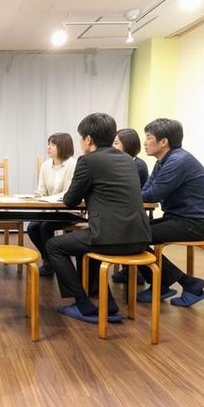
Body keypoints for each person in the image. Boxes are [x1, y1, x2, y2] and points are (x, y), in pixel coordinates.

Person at [46, 113, 151, 324]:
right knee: (83, 244)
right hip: (141, 237)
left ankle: (83, 305)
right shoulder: (127, 160)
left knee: (54, 245)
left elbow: (70, 200)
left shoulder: (88, 161)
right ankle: (108, 304)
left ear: (87, 139)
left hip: (111, 238)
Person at [137, 118, 204, 307]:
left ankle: (183, 284)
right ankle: (178, 284)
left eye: (148, 138)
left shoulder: (177, 161)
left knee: (130, 235)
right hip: (179, 218)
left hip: (195, 224)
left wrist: (121, 196)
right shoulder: (163, 161)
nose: (145, 142)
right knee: (129, 232)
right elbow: (146, 191)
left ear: (163, 142)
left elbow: (151, 195)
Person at [26, 133, 84, 277]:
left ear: (63, 146)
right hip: (50, 209)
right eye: (49, 144)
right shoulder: (46, 165)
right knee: (32, 227)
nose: (48, 147)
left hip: (70, 210)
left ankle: (50, 263)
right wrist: (39, 193)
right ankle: (49, 260)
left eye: (52, 144)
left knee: (45, 226)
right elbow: (42, 188)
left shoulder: (74, 164)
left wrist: (51, 197)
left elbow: (69, 191)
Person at [111, 127, 149, 284]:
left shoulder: (138, 165)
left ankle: (134, 271)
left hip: (134, 214)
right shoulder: (119, 163)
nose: (112, 146)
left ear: (128, 144)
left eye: (116, 143)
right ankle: (127, 270)